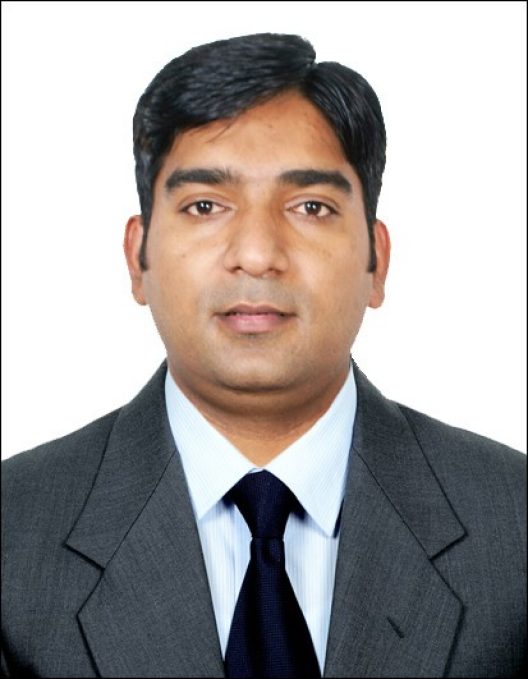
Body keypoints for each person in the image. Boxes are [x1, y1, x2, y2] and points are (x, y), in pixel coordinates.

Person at [1, 32, 525, 679]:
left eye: (310, 206)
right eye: (204, 205)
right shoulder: (14, 533)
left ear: (376, 260)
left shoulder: (514, 526)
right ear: (138, 257)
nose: (255, 253)